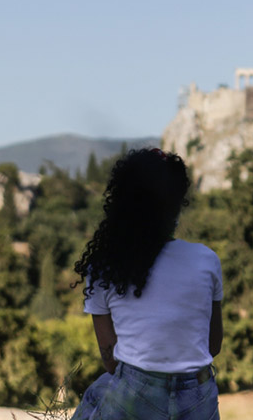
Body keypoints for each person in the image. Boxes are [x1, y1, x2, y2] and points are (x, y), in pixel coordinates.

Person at [70, 148, 223, 420]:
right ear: (176, 205)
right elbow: (212, 346)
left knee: (98, 391)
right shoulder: (206, 260)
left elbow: (110, 361)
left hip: (135, 394)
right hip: (198, 397)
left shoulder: (105, 267)